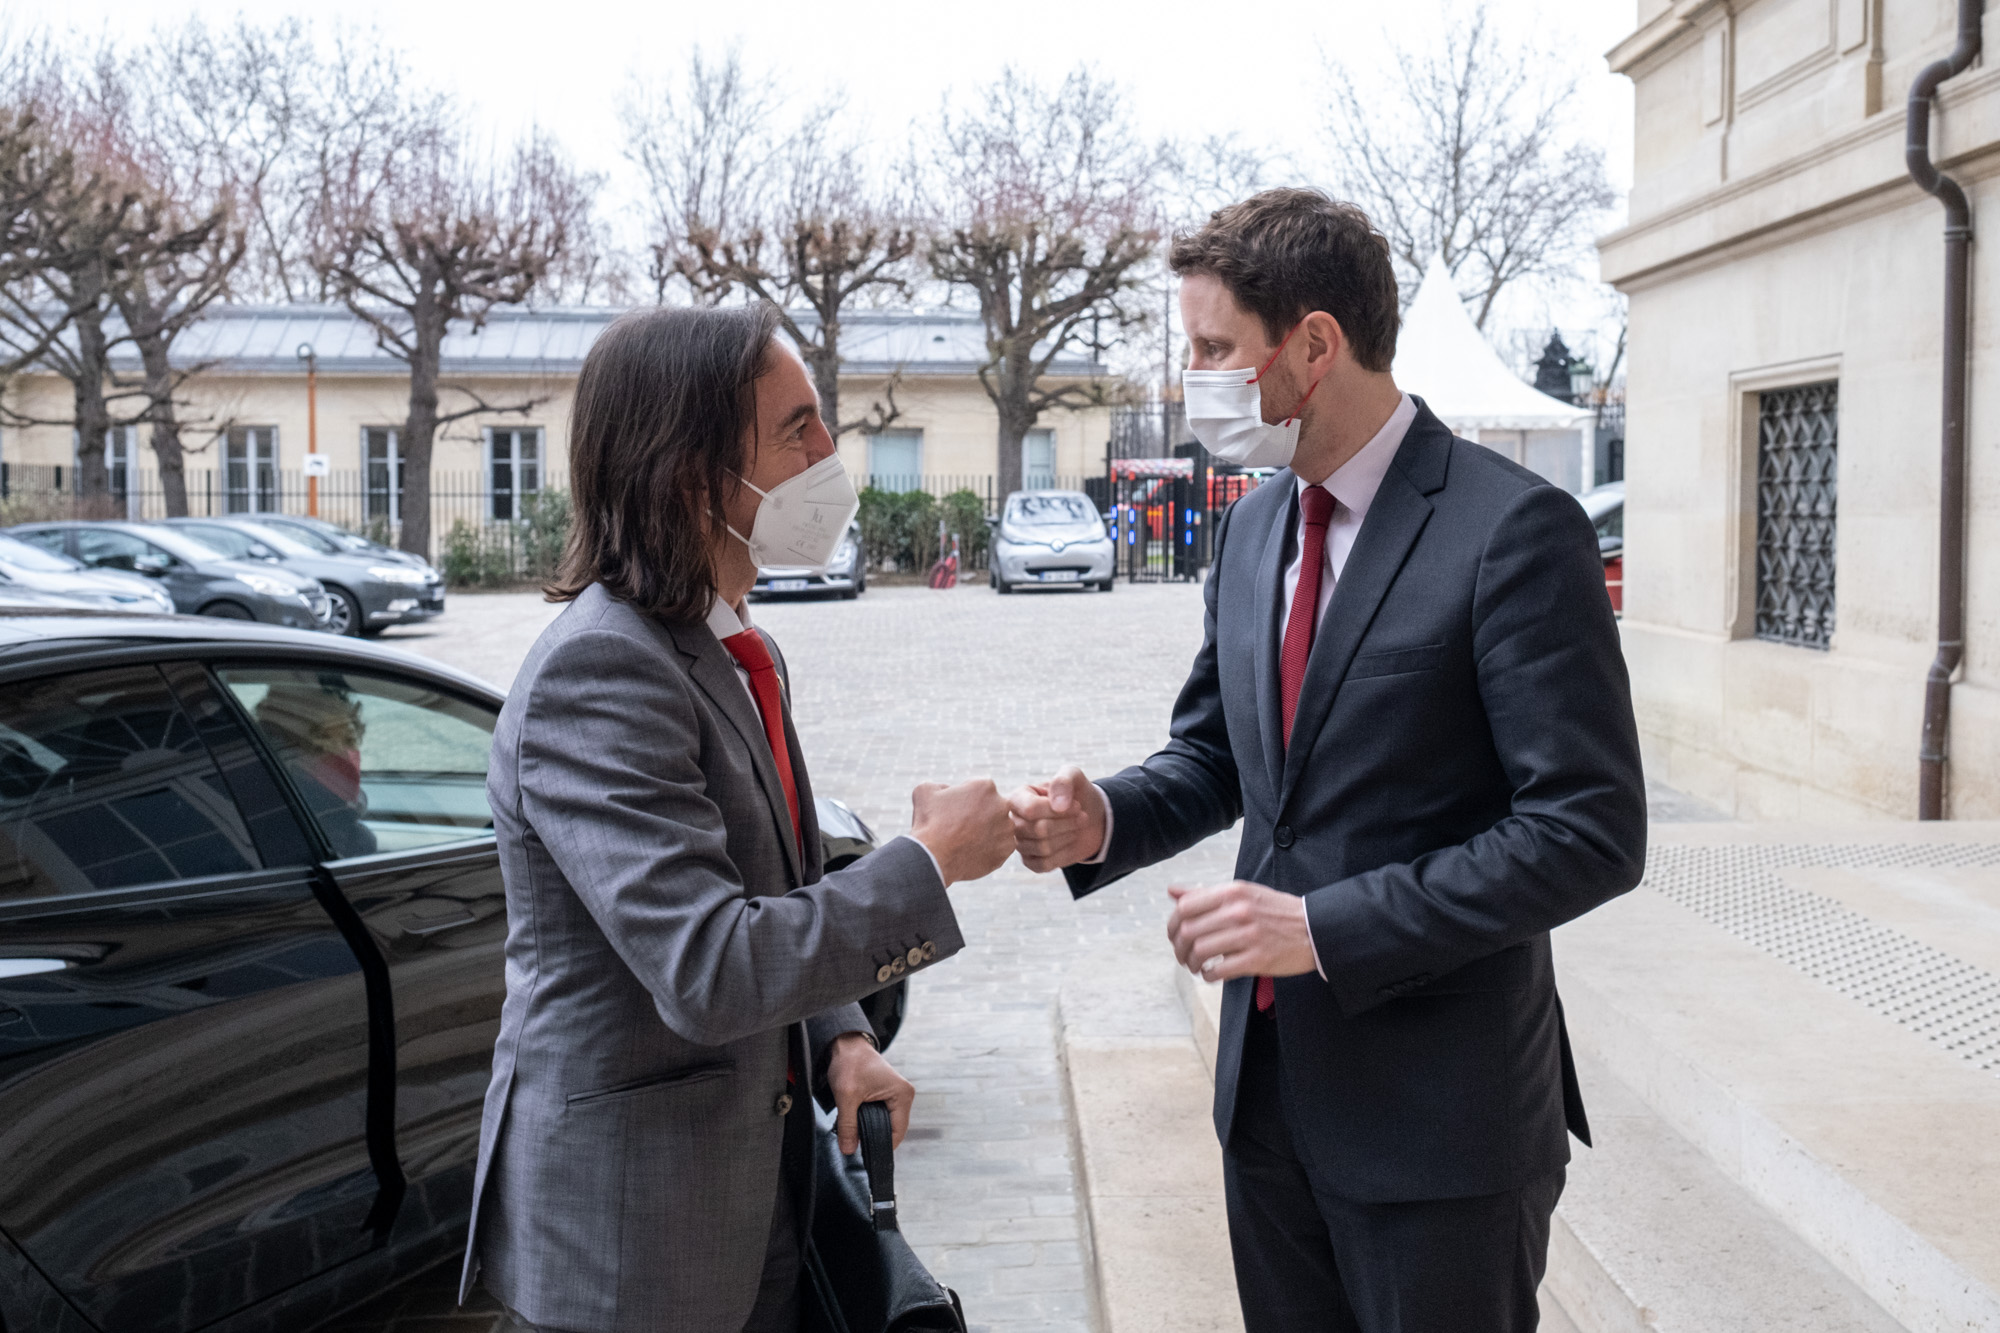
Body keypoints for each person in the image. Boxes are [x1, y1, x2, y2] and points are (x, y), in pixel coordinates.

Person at [1010, 189, 1647, 1333]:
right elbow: (1219, 758)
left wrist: (1322, 928)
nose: (1195, 375)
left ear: (1312, 344)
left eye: (1212, 349)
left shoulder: (1511, 530)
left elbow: (1586, 830)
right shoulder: (1254, 528)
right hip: (1265, 1104)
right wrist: (1098, 816)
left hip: (1440, 1128)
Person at [460, 303, 1016, 1333]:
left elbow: (774, 894)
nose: (826, 454)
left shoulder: (727, 645)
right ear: (692, 473)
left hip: (750, 1200)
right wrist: (928, 864)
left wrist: (842, 1036)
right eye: (795, 428)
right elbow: (710, 965)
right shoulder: (602, 669)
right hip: (632, 1247)